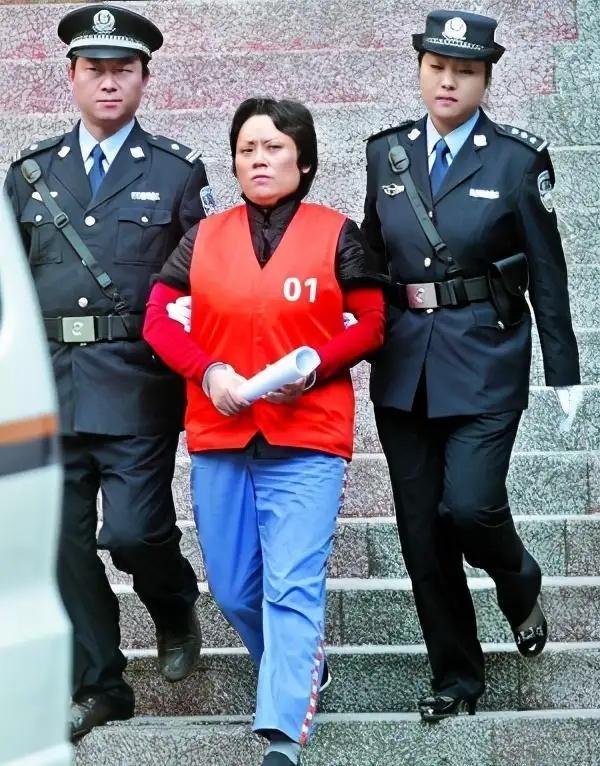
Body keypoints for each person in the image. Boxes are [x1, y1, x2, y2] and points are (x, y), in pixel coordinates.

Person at [143, 97, 385, 766]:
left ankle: (281, 735)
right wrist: (208, 370)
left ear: (303, 161)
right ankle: (302, 663)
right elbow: (158, 319)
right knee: (231, 587)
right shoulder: (203, 238)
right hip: (221, 434)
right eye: (247, 148)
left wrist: (313, 369)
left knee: (291, 583)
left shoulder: (336, 234)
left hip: (308, 436)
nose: (259, 159)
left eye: (274, 147)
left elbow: (371, 321)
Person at [361, 9, 581, 720]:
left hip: (486, 357)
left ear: (486, 79)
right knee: (422, 534)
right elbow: (370, 255)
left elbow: (548, 270)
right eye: (437, 67)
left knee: (472, 507)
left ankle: (518, 578)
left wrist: (564, 370)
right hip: (404, 365)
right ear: (420, 70)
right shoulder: (386, 154)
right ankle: (456, 677)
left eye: (465, 71)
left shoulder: (517, 159)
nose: (448, 82)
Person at [4, 3, 212, 740]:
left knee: (132, 531)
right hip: (48, 388)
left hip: (134, 383)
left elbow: (203, 280)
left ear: (144, 78)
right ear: (71, 76)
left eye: (124, 70)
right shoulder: (29, 174)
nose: (109, 82)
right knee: (60, 543)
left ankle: (174, 604)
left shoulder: (176, 171)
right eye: (95, 69)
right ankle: (100, 684)